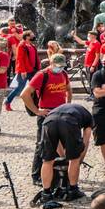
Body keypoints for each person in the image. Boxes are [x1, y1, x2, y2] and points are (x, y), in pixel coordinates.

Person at [22, 54, 73, 185]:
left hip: (61, 113)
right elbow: (24, 94)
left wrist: (68, 104)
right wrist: (37, 111)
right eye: (57, 66)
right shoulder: (42, 75)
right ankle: (37, 175)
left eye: (62, 66)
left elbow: (68, 89)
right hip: (46, 113)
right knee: (42, 145)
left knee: (60, 143)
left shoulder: (64, 74)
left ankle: (55, 171)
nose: (60, 68)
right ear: (51, 63)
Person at [37, 101, 93, 203]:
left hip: (48, 121)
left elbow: (57, 142)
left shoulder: (63, 108)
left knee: (47, 160)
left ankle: (46, 193)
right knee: (74, 159)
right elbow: (86, 138)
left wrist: (64, 156)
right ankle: (73, 190)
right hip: (69, 121)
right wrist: (79, 158)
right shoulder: (88, 117)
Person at [4, 30, 38, 111]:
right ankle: (7, 101)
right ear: (27, 36)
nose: (34, 36)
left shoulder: (31, 45)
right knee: (20, 87)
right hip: (24, 70)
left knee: (36, 87)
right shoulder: (21, 45)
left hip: (33, 70)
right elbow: (19, 59)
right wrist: (22, 70)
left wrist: (38, 69)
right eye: (32, 35)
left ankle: (36, 104)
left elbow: (35, 58)